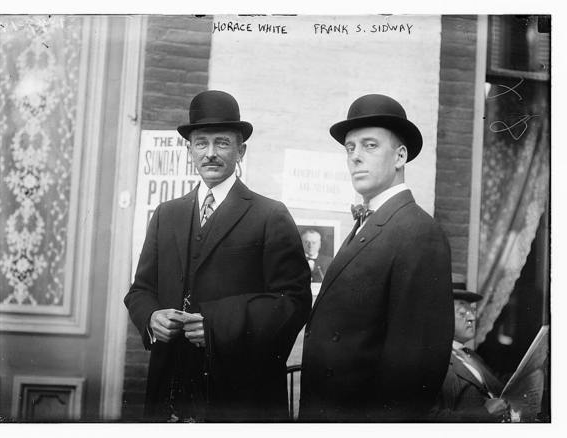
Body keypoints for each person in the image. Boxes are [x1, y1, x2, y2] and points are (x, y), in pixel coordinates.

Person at [124, 90, 312, 422]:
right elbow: (141, 290)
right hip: (170, 391)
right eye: (201, 143)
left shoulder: (270, 215)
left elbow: (293, 302)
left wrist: (218, 327)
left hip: (239, 395)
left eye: (222, 143)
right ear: (189, 151)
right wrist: (151, 318)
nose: (210, 153)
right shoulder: (167, 214)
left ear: (241, 151)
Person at [299, 94, 454, 421]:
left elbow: (415, 368)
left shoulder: (418, 232)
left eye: (369, 145)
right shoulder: (370, 222)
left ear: (400, 156)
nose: (355, 156)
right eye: (350, 148)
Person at [430, 274, 514, 422]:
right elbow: (426, 417)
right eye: (463, 313)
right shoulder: (432, 361)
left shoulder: (469, 355)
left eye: (472, 311)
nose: (472, 318)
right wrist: (484, 415)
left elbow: (495, 383)